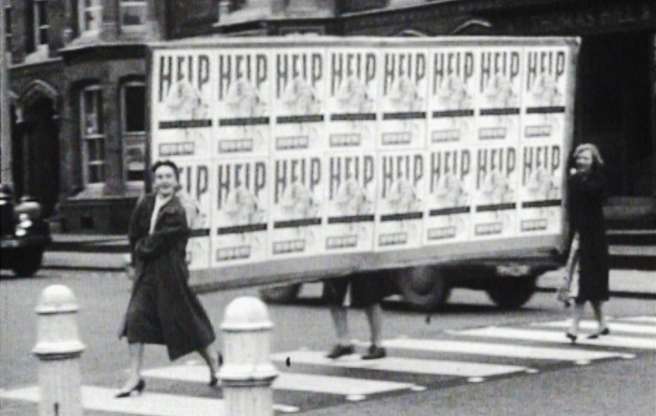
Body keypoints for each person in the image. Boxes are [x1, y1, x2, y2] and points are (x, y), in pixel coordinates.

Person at [116, 160, 219, 397]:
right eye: (160, 177)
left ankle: (214, 362)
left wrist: (141, 248)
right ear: (154, 181)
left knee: (187, 321)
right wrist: (136, 256)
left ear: (176, 180)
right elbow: (134, 232)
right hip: (147, 273)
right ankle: (134, 377)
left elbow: (165, 238)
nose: (164, 181)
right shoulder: (146, 203)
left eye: (168, 177)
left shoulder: (180, 207)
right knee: (135, 319)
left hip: (171, 272)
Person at [564, 143, 610, 343]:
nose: (582, 161)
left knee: (585, 283)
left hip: (595, 238)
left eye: (586, 158)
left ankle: (574, 327)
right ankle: (602, 324)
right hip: (580, 235)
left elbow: (593, 194)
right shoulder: (575, 180)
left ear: (594, 161)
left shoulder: (598, 180)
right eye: (579, 157)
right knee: (590, 284)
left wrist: (576, 177)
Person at [323, 272, 388, 360]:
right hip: (338, 261)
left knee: (371, 297)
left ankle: (377, 344)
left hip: (363, 261)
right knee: (333, 296)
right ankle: (344, 343)